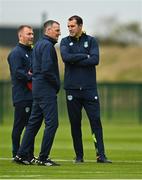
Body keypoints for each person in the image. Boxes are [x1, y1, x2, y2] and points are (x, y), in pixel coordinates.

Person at [60, 15, 111, 163]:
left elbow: (95, 60)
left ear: (80, 26)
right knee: (75, 124)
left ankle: (100, 155)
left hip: (89, 89)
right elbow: (65, 58)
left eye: (72, 26)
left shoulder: (91, 40)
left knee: (96, 122)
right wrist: (84, 56)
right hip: (72, 90)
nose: (69, 29)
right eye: (68, 26)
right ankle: (79, 156)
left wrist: (75, 59)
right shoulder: (64, 41)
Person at [14, 20, 61, 166]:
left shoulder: (39, 44)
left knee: (33, 124)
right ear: (48, 31)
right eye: (57, 30)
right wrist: (56, 84)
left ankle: (21, 155)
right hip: (46, 89)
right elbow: (47, 69)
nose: (59, 32)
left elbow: (34, 68)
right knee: (52, 124)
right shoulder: (47, 46)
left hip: (37, 89)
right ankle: (43, 157)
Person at [7, 25, 35, 160]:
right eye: (28, 34)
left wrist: (32, 73)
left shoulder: (31, 51)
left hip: (32, 95)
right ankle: (16, 153)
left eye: (32, 34)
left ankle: (28, 154)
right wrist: (31, 75)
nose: (31, 36)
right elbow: (19, 73)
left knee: (31, 126)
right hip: (22, 95)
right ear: (20, 36)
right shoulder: (16, 53)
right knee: (19, 125)